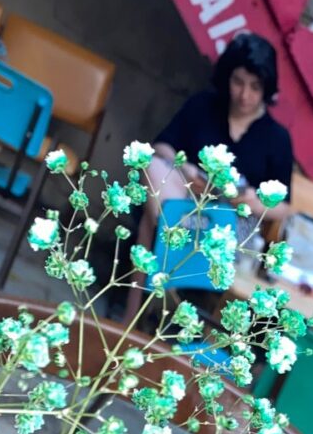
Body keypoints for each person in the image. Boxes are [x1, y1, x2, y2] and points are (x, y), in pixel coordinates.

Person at [123, 33, 293, 321]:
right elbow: (162, 146)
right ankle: (166, 258)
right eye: (238, 82)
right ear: (227, 77)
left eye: (255, 87)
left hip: (232, 225)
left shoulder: (277, 138)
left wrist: (252, 199)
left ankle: (138, 308)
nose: (245, 95)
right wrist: (184, 168)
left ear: (266, 88)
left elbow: (284, 206)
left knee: (150, 224)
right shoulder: (204, 105)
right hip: (184, 203)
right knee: (151, 166)